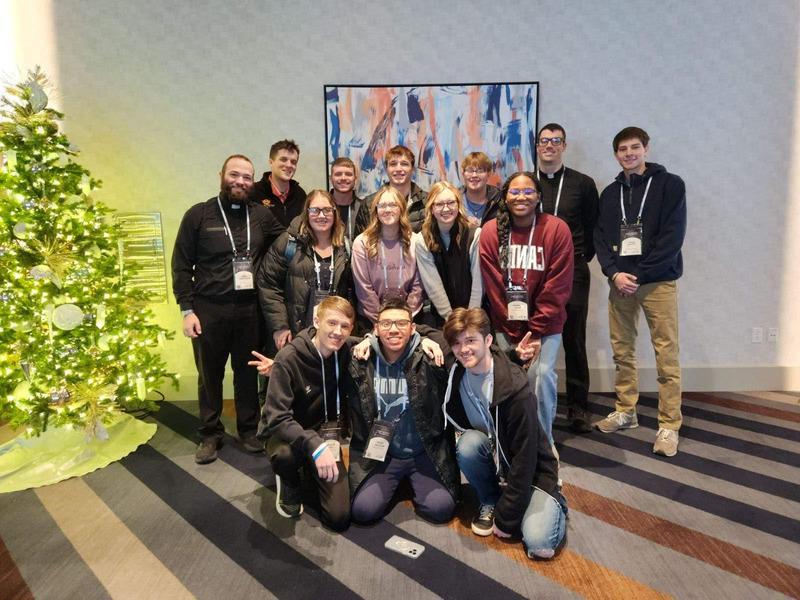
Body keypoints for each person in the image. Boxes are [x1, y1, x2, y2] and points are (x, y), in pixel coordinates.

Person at [172, 154, 283, 464]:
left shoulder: (260, 216)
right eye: (235, 175)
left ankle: (248, 430)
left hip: (249, 310)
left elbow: (288, 241)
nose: (241, 182)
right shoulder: (199, 215)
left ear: (253, 181)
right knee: (210, 374)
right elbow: (181, 265)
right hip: (208, 310)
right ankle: (210, 433)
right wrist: (186, 310)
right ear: (221, 175)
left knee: (247, 374)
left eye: (247, 177)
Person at [593, 127, 686, 457]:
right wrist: (615, 272)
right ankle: (626, 410)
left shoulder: (670, 185)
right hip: (620, 282)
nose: (629, 153)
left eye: (635, 147)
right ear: (616, 154)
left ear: (646, 148)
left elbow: (672, 239)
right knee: (622, 349)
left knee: (666, 353)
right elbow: (600, 239)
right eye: (622, 149)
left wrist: (639, 274)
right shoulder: (608, 194)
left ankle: (669, 424)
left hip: (657, 281)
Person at [442, 308, 565, 558]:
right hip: (499, 461)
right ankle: (490, 498)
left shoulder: (516, 390)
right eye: (457, 343)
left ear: (488, 340)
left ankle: (554, 501)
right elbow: (416, 331)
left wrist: (507, 516)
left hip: (533, 471)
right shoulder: (456, 373)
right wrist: (367, 340)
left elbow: (526, 456)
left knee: (539, 544)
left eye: (471, 341)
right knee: (467, 444)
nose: (463, 349)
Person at [480, 172, 574, 447]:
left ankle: (542, 445)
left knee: (540, 376)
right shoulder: (491, 231)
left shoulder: (556, 229)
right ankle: (510, 443)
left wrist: (535, 332)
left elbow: (557, 286)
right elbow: (495, 286)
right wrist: (512, 333)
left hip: (545, 326)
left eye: (528, 191)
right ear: (505, 197)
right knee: (504, 380)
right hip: (505, 325)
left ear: (538, 196)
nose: (521, 197)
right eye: (515, 192)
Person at [346, 298, 459, 524]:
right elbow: (322, 335)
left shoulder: (430, 357)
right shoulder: (360, 357)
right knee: (363, 511)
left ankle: (411, 480)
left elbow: (462, 338)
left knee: (441, 509)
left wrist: (426, 338)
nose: (394, 329)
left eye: (401, 323)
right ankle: (398, 481)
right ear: (376, 328)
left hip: (424, 452)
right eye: (386, 324)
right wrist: (280, 362)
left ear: (412, 327)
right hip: (382, 455)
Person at [258, 296, 356, 531]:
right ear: (316, 321)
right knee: (284, 456)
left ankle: (312, 469)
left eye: (345, 326)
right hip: (287, 435)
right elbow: (277, 418)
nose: (337, 332)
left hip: (325, 436)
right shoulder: (288, 358)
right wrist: (315, 445)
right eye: (331, 323)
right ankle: (289, 479)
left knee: (338, 517)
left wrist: (426, 341)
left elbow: (387, 337)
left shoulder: (346, 349)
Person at [535, 123, 600, 433]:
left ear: (564, 145)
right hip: (534, 269)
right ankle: (528, 400)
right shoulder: (525, 183)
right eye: (544, 141)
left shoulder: (583, 184)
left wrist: (581, 257)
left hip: (573, 269)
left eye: (555, 141)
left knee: (574, 337)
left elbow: (593, 226)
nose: (550, 145)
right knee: (532, 333)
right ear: (537, 146)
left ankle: (578, 406)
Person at [257, 190, 353, 352]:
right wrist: (279, 325)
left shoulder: (345, 247)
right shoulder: (289, 243)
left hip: (333, 335)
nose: (321, 216)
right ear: (306, 213)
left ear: (334, 213)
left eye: (327, 210)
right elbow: (268, 284)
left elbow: (351, 292)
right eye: (315, 210)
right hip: (294, 333)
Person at [351, 187, 424, 326]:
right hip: (370, 321)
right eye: (382, 205)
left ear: (402, 209)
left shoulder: (416, 242)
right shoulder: (361, 243)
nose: (387, 209)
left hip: (409, 320)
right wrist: (382, 322)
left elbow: (418, 287)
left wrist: (404, 319)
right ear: (376, 211)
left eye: (393, 205)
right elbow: (363, 288)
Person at [413, 181, 482, 326]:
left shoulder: (474, 234)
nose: (446, 208)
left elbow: (478, 282)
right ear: (431, 208)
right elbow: (433, 286)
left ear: (458, 205)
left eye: (451, 202)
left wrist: (471, 319)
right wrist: (451, 320)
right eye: (439, 204)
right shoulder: (422, 240)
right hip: (442, 318)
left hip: (475, 315)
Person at [356, 145, 428, 233]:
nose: (398, 169)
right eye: (393, 164)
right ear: (386, 169)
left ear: (412, 169)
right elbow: (362, 243)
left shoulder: (428, 202)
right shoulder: (369, 204)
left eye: (404, 164)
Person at [251, 139, 307, 229]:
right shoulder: (253, 192)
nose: (289, 165)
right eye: (283, 159)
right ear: (271, 162)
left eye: (293, 162)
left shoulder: (300, 195)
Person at [329, 157, 365, 245]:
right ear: (330, 179)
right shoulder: (322, 207)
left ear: (355, 179)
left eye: (348, 174)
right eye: (338, 174)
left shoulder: (364, 208)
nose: (343, 178)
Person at [460, 151, 503, 226]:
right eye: (470, 170)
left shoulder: (499, 199)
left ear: (489, 174)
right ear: (463, 174)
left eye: (480, 171)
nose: (474, 175)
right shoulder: (454, 199)